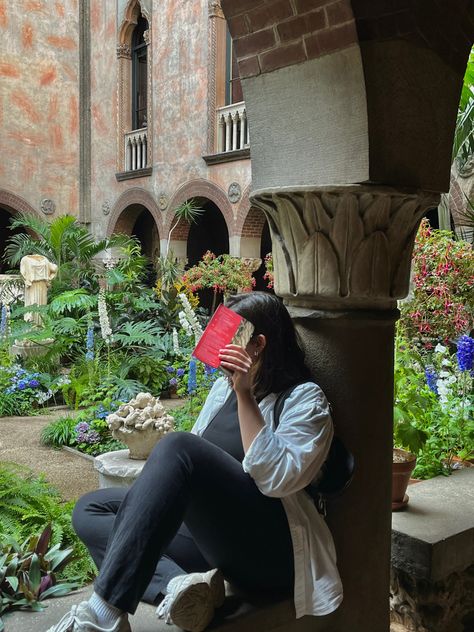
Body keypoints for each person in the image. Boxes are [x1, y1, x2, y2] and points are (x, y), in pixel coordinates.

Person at [48, 292, 343, 632]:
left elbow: (276, 480)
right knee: (91, 509)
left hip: (269, 552)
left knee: (178, 446)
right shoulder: (222, 390)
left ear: (258, 344)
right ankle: (180, 587)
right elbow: (193, 474)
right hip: (214, 542)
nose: (217, 347)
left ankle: (103, 614)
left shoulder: (304, 399)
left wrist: (245, 394)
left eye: (230, 336)